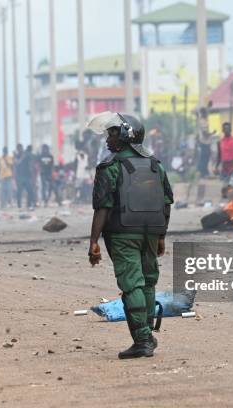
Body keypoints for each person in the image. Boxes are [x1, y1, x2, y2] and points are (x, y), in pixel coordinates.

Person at [87, 112, 174, 359]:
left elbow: (102, 207)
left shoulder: (110, 167)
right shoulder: (156, 165)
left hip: (123, 234)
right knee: (147, 281)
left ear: (127, 135)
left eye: (112, 133)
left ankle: (143, 339)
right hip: (150, 232)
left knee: (132, 283)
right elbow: (166, 202)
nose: (107, 139)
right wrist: (160, 236)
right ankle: (145, 334)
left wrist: (93, 242)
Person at [16, 145, 36, 210]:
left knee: (30, 191)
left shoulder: (27, 156)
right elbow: (16, 164)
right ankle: (19, 206)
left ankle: (29, 205)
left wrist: (32, 176)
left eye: (20, 148)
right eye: (19, 149)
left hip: (27, 176)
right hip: (19, 177)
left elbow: (31, 165)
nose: (20, 150)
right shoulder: (17, 156)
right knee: (19, 192)